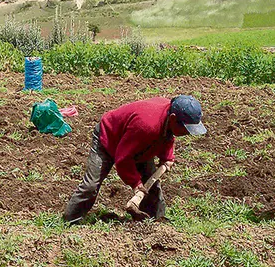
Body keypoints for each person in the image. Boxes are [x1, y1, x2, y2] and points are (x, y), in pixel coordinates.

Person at [63, 95, 206, 224]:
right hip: (109, 137)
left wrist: (167, 157)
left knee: (152, 187)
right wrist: (135, 183)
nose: (188, 133)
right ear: (173, 118)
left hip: (138, 141)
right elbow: (123, 159)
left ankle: (155, 221)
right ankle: (70, 221)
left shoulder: (169, 115)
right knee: (91, 186)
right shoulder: (146, 126)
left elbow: (168, 135)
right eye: (186, 128)